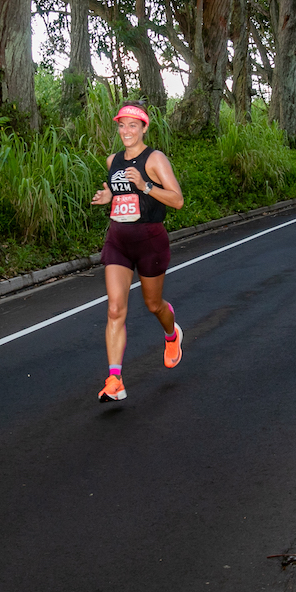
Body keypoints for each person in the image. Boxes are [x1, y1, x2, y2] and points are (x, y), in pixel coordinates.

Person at [89, 102, 185, 402]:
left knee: (153, 304)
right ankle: (115, 380)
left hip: (150, 240)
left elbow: (177, 200)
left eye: (133, 125)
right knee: (115, 309)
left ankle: (172, 335)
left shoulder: (155, 159)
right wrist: (109, 197)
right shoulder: (112, 160)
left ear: (144, 128)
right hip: (118, 238)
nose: (126, 131)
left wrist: (145, 186)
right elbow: (121, 195)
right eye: (122, 125)